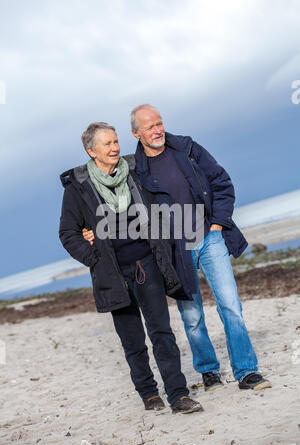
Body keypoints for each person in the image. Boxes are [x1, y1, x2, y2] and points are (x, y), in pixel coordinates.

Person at [83, 106, 271, 392]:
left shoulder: (187, 148)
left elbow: (221, 182)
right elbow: (118, 206)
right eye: (149, 127)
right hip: (175, 249)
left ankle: (246, 372)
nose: (157, 130)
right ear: (136, 133)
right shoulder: (133, 168)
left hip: (210, 238)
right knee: (192, 315)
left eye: (159, 123)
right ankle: (209, 372)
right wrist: (91, 231)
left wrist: (218, 223)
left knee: (230, 305)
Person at [59, 121, 203, 414]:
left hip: (147, 264)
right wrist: (93, 257)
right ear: (91, 151)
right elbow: (68, 233)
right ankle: (149, 394)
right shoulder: (78, 188)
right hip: (112, 273)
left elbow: (160, 206)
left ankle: (178, 395)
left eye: (115, 142)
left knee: (162, 332)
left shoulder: (135, 172)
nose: (115, 148)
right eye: (107, 144)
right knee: (133, 340)